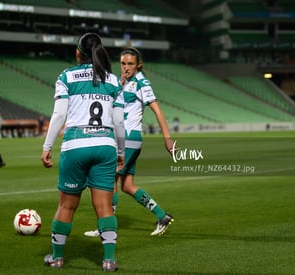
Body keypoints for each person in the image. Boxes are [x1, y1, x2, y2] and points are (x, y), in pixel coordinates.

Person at [41, 33, 125, 271]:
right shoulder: (112, 80)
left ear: (78, 53)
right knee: (105, 206)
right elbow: (119, 121)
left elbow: (59, 115)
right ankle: (109, 260)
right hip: (105, 145)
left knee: (67, 206)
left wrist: (47, 147)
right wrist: (120, 151)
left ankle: (57, 258)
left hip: (75, 144)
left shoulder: (66, 76)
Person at [84, 47, 175, 237]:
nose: (126, 67)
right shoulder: (121, 82)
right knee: (127, 185)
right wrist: (121, 83)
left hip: (129, 137)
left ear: (138, 65)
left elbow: (157, 110)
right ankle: (162, 216)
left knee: (110, 180)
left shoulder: (142, 82)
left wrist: (167, 139)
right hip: (124, 137)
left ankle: (106, 227)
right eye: (123, 63)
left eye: (130, 64)